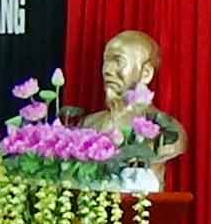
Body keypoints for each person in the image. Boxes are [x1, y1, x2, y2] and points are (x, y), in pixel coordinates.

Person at [79, 29, 187, 186]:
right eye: (106, 61)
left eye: (118, 61)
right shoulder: (88, 124)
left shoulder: (168, 131)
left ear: (146, 73)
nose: (107, 71)